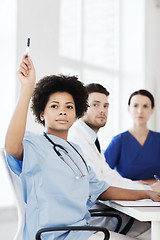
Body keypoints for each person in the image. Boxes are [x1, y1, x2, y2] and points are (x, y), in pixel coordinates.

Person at [5, 55, 160, 240]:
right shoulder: (34, 144)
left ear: (76, 114)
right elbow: (11, 146)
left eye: (69, 107)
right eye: (54, 106)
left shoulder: (75, 151)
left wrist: (146, 193)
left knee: (151, 232)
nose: (63, 111)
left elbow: (102, 190)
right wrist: (26, 88)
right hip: (56, 236)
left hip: (83, 232)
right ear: (42, 113)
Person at [68, 83, 160, 239]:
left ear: (152, 110)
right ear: (81, 108)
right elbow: (101, 186)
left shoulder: (90, 139)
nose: (102, 110)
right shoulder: (77, 139)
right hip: (92, 216)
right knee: (152, 231)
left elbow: (110, 176)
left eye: (106, 105)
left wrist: (149, 188)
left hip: (102, 212)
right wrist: (146, 192)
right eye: (95, 105)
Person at [104, 89, 160, 181]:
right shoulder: (119, 141)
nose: (140, 111)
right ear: (129, 109)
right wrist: (138, 185)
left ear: (152, 110)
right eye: (135, 106)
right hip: (128, 193)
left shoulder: (158, 140)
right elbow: (103, 175)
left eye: (145, 106)